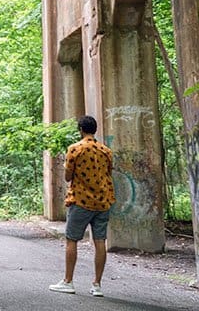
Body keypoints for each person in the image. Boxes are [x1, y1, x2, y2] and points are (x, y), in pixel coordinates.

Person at [48, 115, 115, 297]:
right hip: (103, 202)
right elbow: (108, 173)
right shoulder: (106, 151)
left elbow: (68, 177)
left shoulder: (74, 149)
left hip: (81, 201)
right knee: (100, 241)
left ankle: (68, 281)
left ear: (81, 129)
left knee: (72, 239)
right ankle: (97, 285)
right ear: (95, 130)